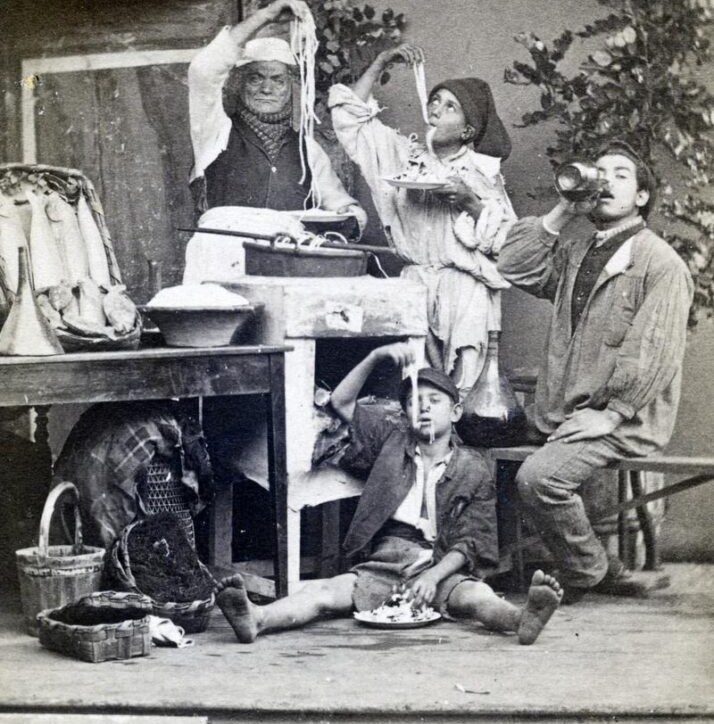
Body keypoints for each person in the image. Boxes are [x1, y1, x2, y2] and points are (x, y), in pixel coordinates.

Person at [216, 342, 563, 645]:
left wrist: (433, 575)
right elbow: (340, 402)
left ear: (455, 412)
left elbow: (472, 541)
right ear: (405, 415)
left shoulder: (474, 468)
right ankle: (257, 618)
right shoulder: (390, 442)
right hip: (386, 559)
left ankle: (521, 620)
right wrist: (376, 355)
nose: (424, 408)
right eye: (414, 402)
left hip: (441, 562)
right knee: (323, 593)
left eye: (434, 401)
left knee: (475, 596)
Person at [497, 140, 694, 603]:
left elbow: (654, 351)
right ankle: (526, 569)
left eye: (620, 175)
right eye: (598, 172)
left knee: (539, 479)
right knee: (485, 459)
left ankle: (591, 570)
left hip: (621, 419)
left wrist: (612, 413)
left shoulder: (659, 262)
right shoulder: (577, 251)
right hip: (567, 413)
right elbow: (513, 266)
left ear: (642, 196)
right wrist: (564, 209)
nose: (605, 181)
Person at [327, 45, 517, 396]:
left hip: (466, 291)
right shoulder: (403, 155)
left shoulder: (483, 173)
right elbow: (349, 116)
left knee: (463, 387)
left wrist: (469, 202)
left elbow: (510, 243)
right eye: (434, 101)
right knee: (416, 388)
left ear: (467, 130)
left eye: (450, 106)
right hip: (415, 284)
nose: (435, 109)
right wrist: (382, 61)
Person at [187, 0, 367, 232]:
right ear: (239, 84)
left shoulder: (307, 150)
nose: (267, 88)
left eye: (278, 80)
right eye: (256, 78)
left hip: (287, 262)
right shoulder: (217, 132)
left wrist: (349, 215)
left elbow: (342, 206)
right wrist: (267, 14)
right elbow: (203, 71)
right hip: (226, 258)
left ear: (289, 88)